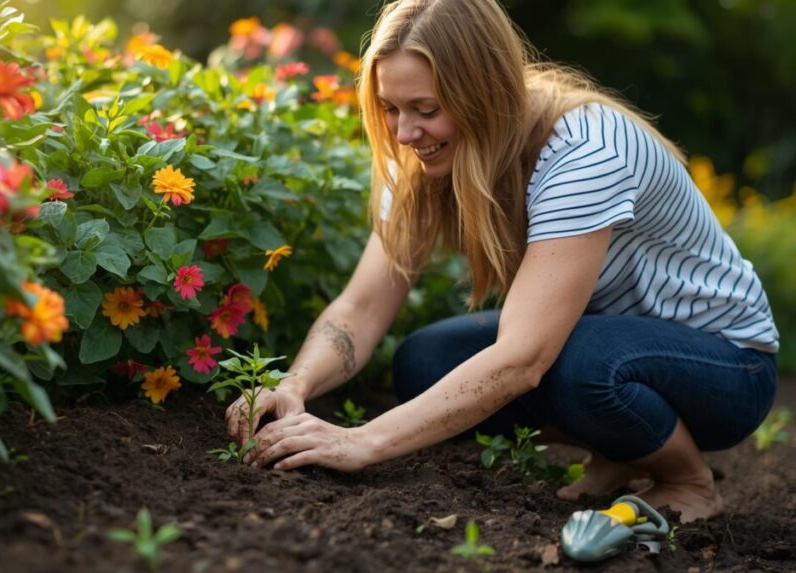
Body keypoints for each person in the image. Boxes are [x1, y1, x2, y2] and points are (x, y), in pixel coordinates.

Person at [224, 0, 778, 523]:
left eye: (426, 109)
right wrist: (295, 384)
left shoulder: (586, 151)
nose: (404, 132)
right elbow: (364, 306)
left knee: (574, 362)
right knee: (426, 361)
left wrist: (360, 441)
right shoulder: (428, 153)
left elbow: (523, 359)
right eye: (391, 108)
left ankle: (688, 482)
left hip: (728, 365)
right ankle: (624, 449)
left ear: (484, 95)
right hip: (611, 339)